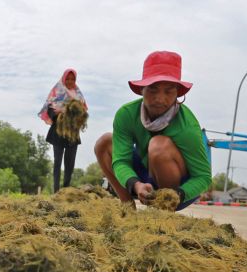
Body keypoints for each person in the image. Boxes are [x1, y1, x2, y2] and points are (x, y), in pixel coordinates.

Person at [94, 51, 212, 210]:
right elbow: (121, 161)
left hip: (179, 192)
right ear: (141, 89)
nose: (160, 99)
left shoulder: (188, 126)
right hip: (144, 176)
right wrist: (135, 185)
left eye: (169, 91)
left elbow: (203, 177)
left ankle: (163, 210)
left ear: (178, 93)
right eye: (153, 89)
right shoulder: (127, 115)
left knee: (158, 145)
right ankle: (127, 207)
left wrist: (178, 194)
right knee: (104, 142)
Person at [39, 69, 87, 193]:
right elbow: (50, 110)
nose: (70, 81)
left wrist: (73, 113)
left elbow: (82, 112)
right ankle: (56, 191)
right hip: (58, 132)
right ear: (63, 79)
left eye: (73, 79)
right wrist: (60, 113)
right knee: (57, 162)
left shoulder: (78, 96)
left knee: (70, 164)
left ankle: (65, 190)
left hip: (73, 133)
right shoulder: (56, 93)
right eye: (68, 79)